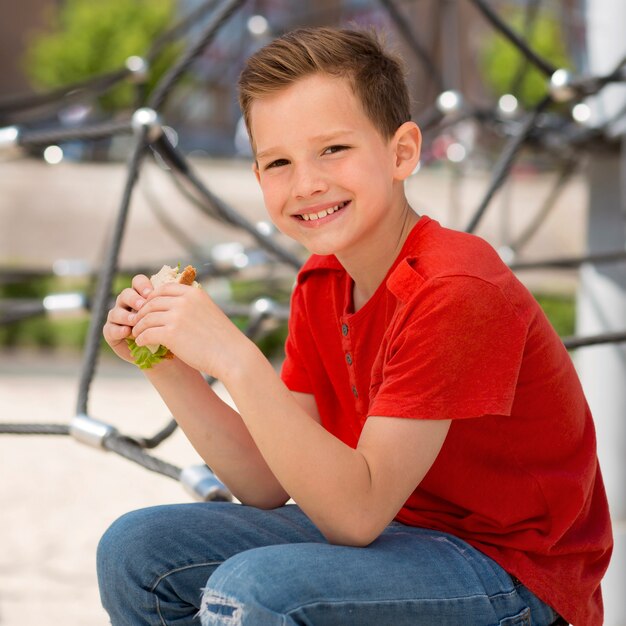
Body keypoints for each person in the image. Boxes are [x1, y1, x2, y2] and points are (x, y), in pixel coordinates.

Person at [97, 26, 612, 626]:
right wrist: (169, 366)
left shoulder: (455, 289)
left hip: (513, 572)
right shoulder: (322, 280)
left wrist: (234, 358)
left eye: (333, 150)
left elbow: (355, 513)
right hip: (398, 535)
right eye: (279, 162)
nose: (307, 183)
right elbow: (266, 481)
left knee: (256, 588)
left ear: (402, 153)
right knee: (136, 552)